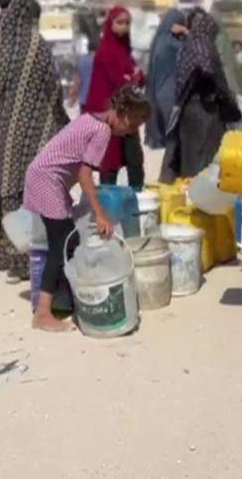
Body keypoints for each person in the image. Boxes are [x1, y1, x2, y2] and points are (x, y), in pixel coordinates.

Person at [24, 85, 151, 332]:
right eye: (133, 125)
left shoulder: (91, 118)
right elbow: (85, 176)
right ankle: (43, 313)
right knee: (60, 242)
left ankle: (67, 299)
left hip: (46, 177)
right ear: (123, 113)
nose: (130, 132)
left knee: (67, 239)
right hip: (46, 179)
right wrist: (101, 215)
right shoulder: (102, 131)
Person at [0, 0, 70, 282]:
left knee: (7, 193)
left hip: (1, 135)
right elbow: (53, 89)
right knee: (31, 192)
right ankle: (29, 259)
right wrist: (60, 119)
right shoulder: (36, 47)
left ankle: (8, 258)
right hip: (35, 135)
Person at [159, 10, 242, 182]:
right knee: (202, 159)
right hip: (204, 109)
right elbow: (207, 71)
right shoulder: (201, 45)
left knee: (192, 154)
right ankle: (197, 196)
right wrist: (225, 96)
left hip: (190, 107)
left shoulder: (190, 43)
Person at [82, 6, 146, 189]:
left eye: (127, 23)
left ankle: (136, 201)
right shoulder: (106, 52)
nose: (124, 27)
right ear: (110, 24)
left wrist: (135, 77)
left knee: (135, 161)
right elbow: (120, 82)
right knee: (109, 164)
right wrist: (133, 77)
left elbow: (135, 77)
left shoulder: (125, 51)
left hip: (126, 114)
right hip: (108, 116)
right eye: (119, 22)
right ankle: (108, 205)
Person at [145, 9, 187, 149]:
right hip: (170, 95)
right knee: (174, 143)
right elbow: (195, 50)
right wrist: (187, 32)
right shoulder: (171, 43)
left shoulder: (159, 39)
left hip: (160, 93)